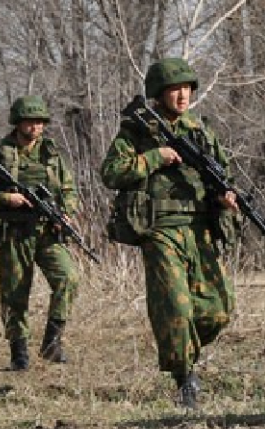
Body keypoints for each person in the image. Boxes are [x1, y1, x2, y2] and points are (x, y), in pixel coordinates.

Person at [100, 58, 238, 408]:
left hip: (200, 229)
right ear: (158, 93)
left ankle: (185, 352)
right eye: (174, 89)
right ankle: (184, 378)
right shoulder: (138, 130)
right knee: (176, 308)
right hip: (160, 229)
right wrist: (154, 158)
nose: (182, 95)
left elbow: (223, 174)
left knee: (218, 310)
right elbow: (111, 172)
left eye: (187, 88)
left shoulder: (200, 131)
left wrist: (226, 196)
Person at [0, 95, 81, 371]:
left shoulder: (51, 155)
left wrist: (66, 212)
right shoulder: (1, 155)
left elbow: (69, 190)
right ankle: (19, 353)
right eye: (30, 121)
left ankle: (52, 342)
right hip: (15, 233)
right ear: (18, 123)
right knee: (14, 294)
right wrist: (7, 199)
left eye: (40, 122)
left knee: (68, 278)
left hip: (46, 232)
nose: (35, 127)